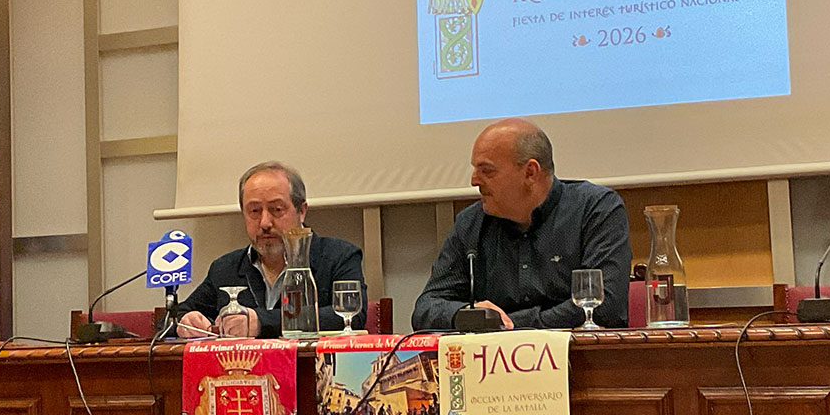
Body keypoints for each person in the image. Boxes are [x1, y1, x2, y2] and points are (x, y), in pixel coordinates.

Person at [412, 118, 630, 330]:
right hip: (492, 354)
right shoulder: (471, 223)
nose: (474, 180)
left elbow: (605, 306)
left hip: (578, 352)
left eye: (487, 170)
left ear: (530, 172)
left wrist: (507, 324)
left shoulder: (595, 209)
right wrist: (468, 314)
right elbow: (426, 308)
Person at [175, 161, 367, 338]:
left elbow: (351, 318)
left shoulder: (339, 256)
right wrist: (186, 321)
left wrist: (262, 322)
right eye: (254, 211)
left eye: (276, 210)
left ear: (301, 211)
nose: (265, 223)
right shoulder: (225, 268)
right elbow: (175, 317)